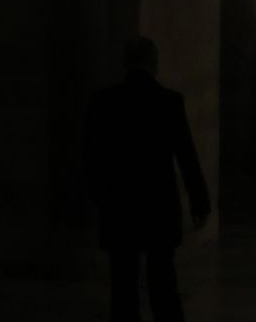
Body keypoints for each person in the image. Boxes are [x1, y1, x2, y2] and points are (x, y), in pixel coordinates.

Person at [84, 37, 210, 322]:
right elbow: (186, 156)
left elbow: (91, 155)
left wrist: (96, 197)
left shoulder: (104, 101)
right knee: (163, 281)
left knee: (123, 284)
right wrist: (199, 201)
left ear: (125, 62)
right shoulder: (169, 101)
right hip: (158, 201)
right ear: (154, 63)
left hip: (119, 200)